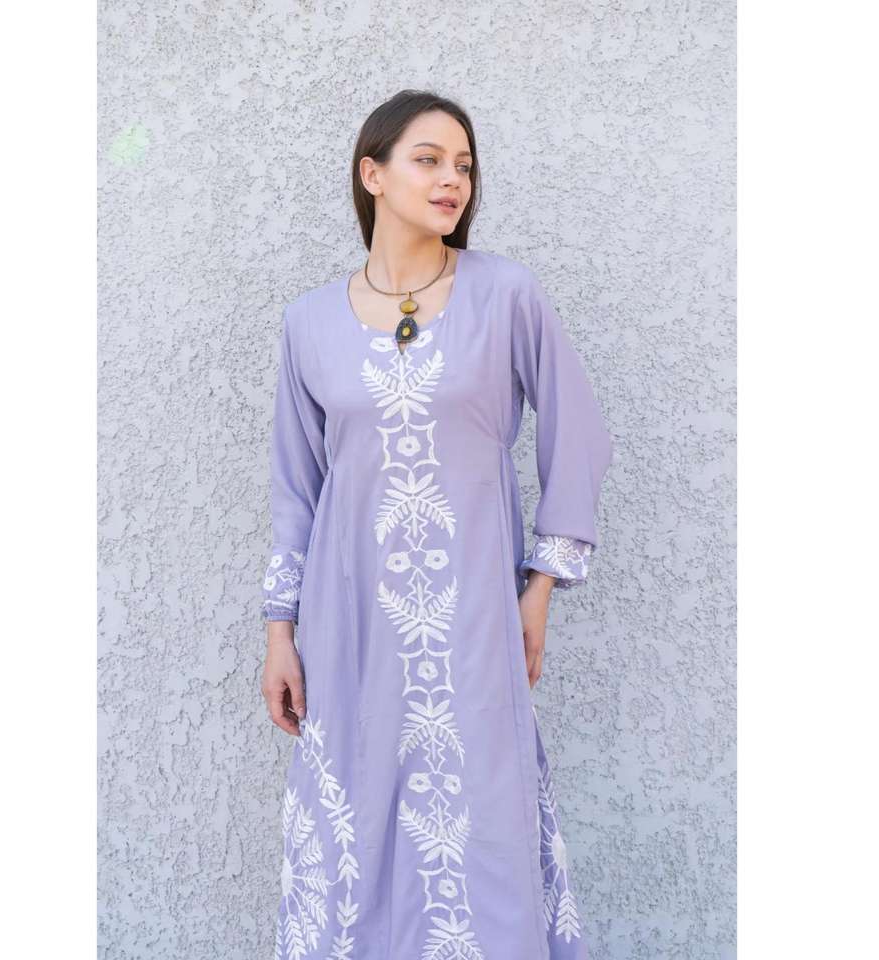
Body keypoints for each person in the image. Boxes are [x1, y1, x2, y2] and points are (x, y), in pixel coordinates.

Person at [260, 89, 613, 960]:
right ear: (372, 173)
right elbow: (297, 489)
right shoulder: (308, 323)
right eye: (428, 160)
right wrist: (280, 634)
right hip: (349, 626)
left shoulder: (505, 295)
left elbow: (578, 435)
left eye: (464, 165)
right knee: (358, 821)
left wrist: (540, 589)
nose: (453, 179)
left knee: (479, 822)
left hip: (473, 616)